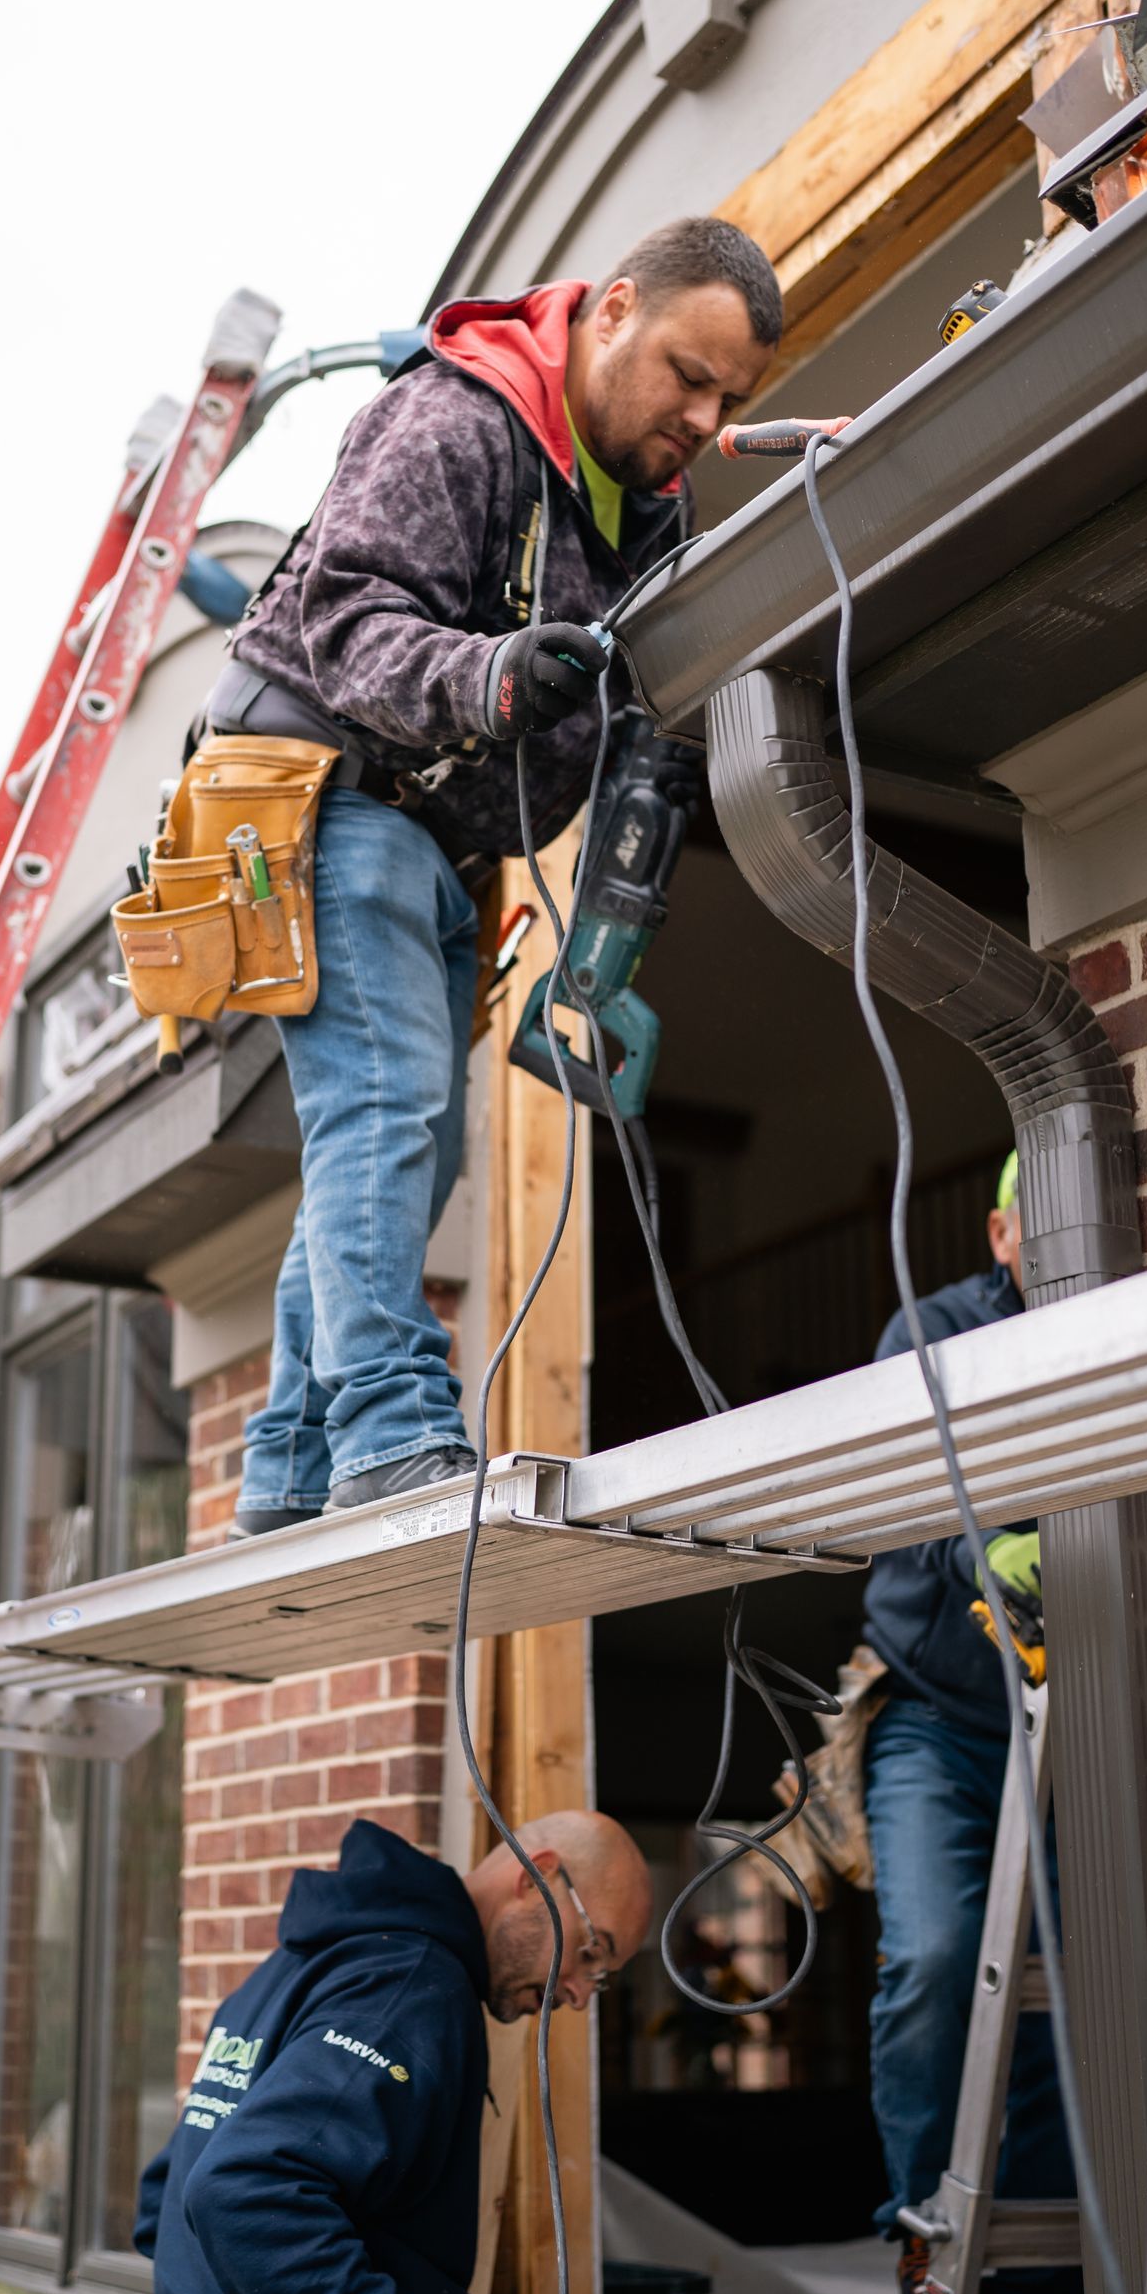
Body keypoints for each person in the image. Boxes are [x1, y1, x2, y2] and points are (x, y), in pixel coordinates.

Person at [208, 219, 780, 1531]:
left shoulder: (651, 506)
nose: (701, 416)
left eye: (730, 400)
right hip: (321, 792)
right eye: (686, 374)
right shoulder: (456, 418)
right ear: (613, 308)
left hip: (444, 842)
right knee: (390, 1112)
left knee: (401, 1133)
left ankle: (294, 1462)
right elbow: (347, 620)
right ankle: (393, 1433)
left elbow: (639, 697)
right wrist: (490, 673)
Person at [103, 1809, 653, 2294]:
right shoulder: (410, 1987)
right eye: (591, 1953)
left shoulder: (301, 1969)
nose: (579, 1993)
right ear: (542, 1875)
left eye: (602, 1976)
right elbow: (243, 2195)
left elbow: (168, 2200)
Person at [858, 1153, 1094, 2294]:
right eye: (1032, 1224)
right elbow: (925, 1480)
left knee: (1069, 1996)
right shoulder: (932, 1329)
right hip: (939, 1718)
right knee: (942, 1956)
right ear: (1003, 1228)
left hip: (1076, 1730)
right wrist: (986, 1547)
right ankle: (921, 2236)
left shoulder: (1102, 1320)